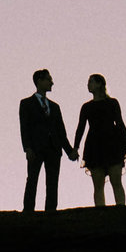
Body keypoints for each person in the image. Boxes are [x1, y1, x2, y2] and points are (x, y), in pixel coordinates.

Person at [72, 74, 126, 207]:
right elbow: (80, 128)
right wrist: (75, 147)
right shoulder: (86, 107)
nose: (88, 84)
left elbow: (119, 123)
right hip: (94, 145)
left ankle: (121, 208)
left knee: (116, 181)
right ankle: (100, 212)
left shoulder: (112, 103)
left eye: (91, 82)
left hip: (112, 143)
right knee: (98, 185)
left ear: (100, 84)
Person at [18, 69, 75, 212]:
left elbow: (61, 132)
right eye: (49, 79)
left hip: (54, 148)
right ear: (39, 81)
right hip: (36, 148)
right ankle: (28, 210)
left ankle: (51, 210)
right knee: (32, 179)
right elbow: (24, 127)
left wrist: (69, 151)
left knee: (52, 181)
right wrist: (28, 148)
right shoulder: (26, 104)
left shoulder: (55, 107)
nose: (52, 82)